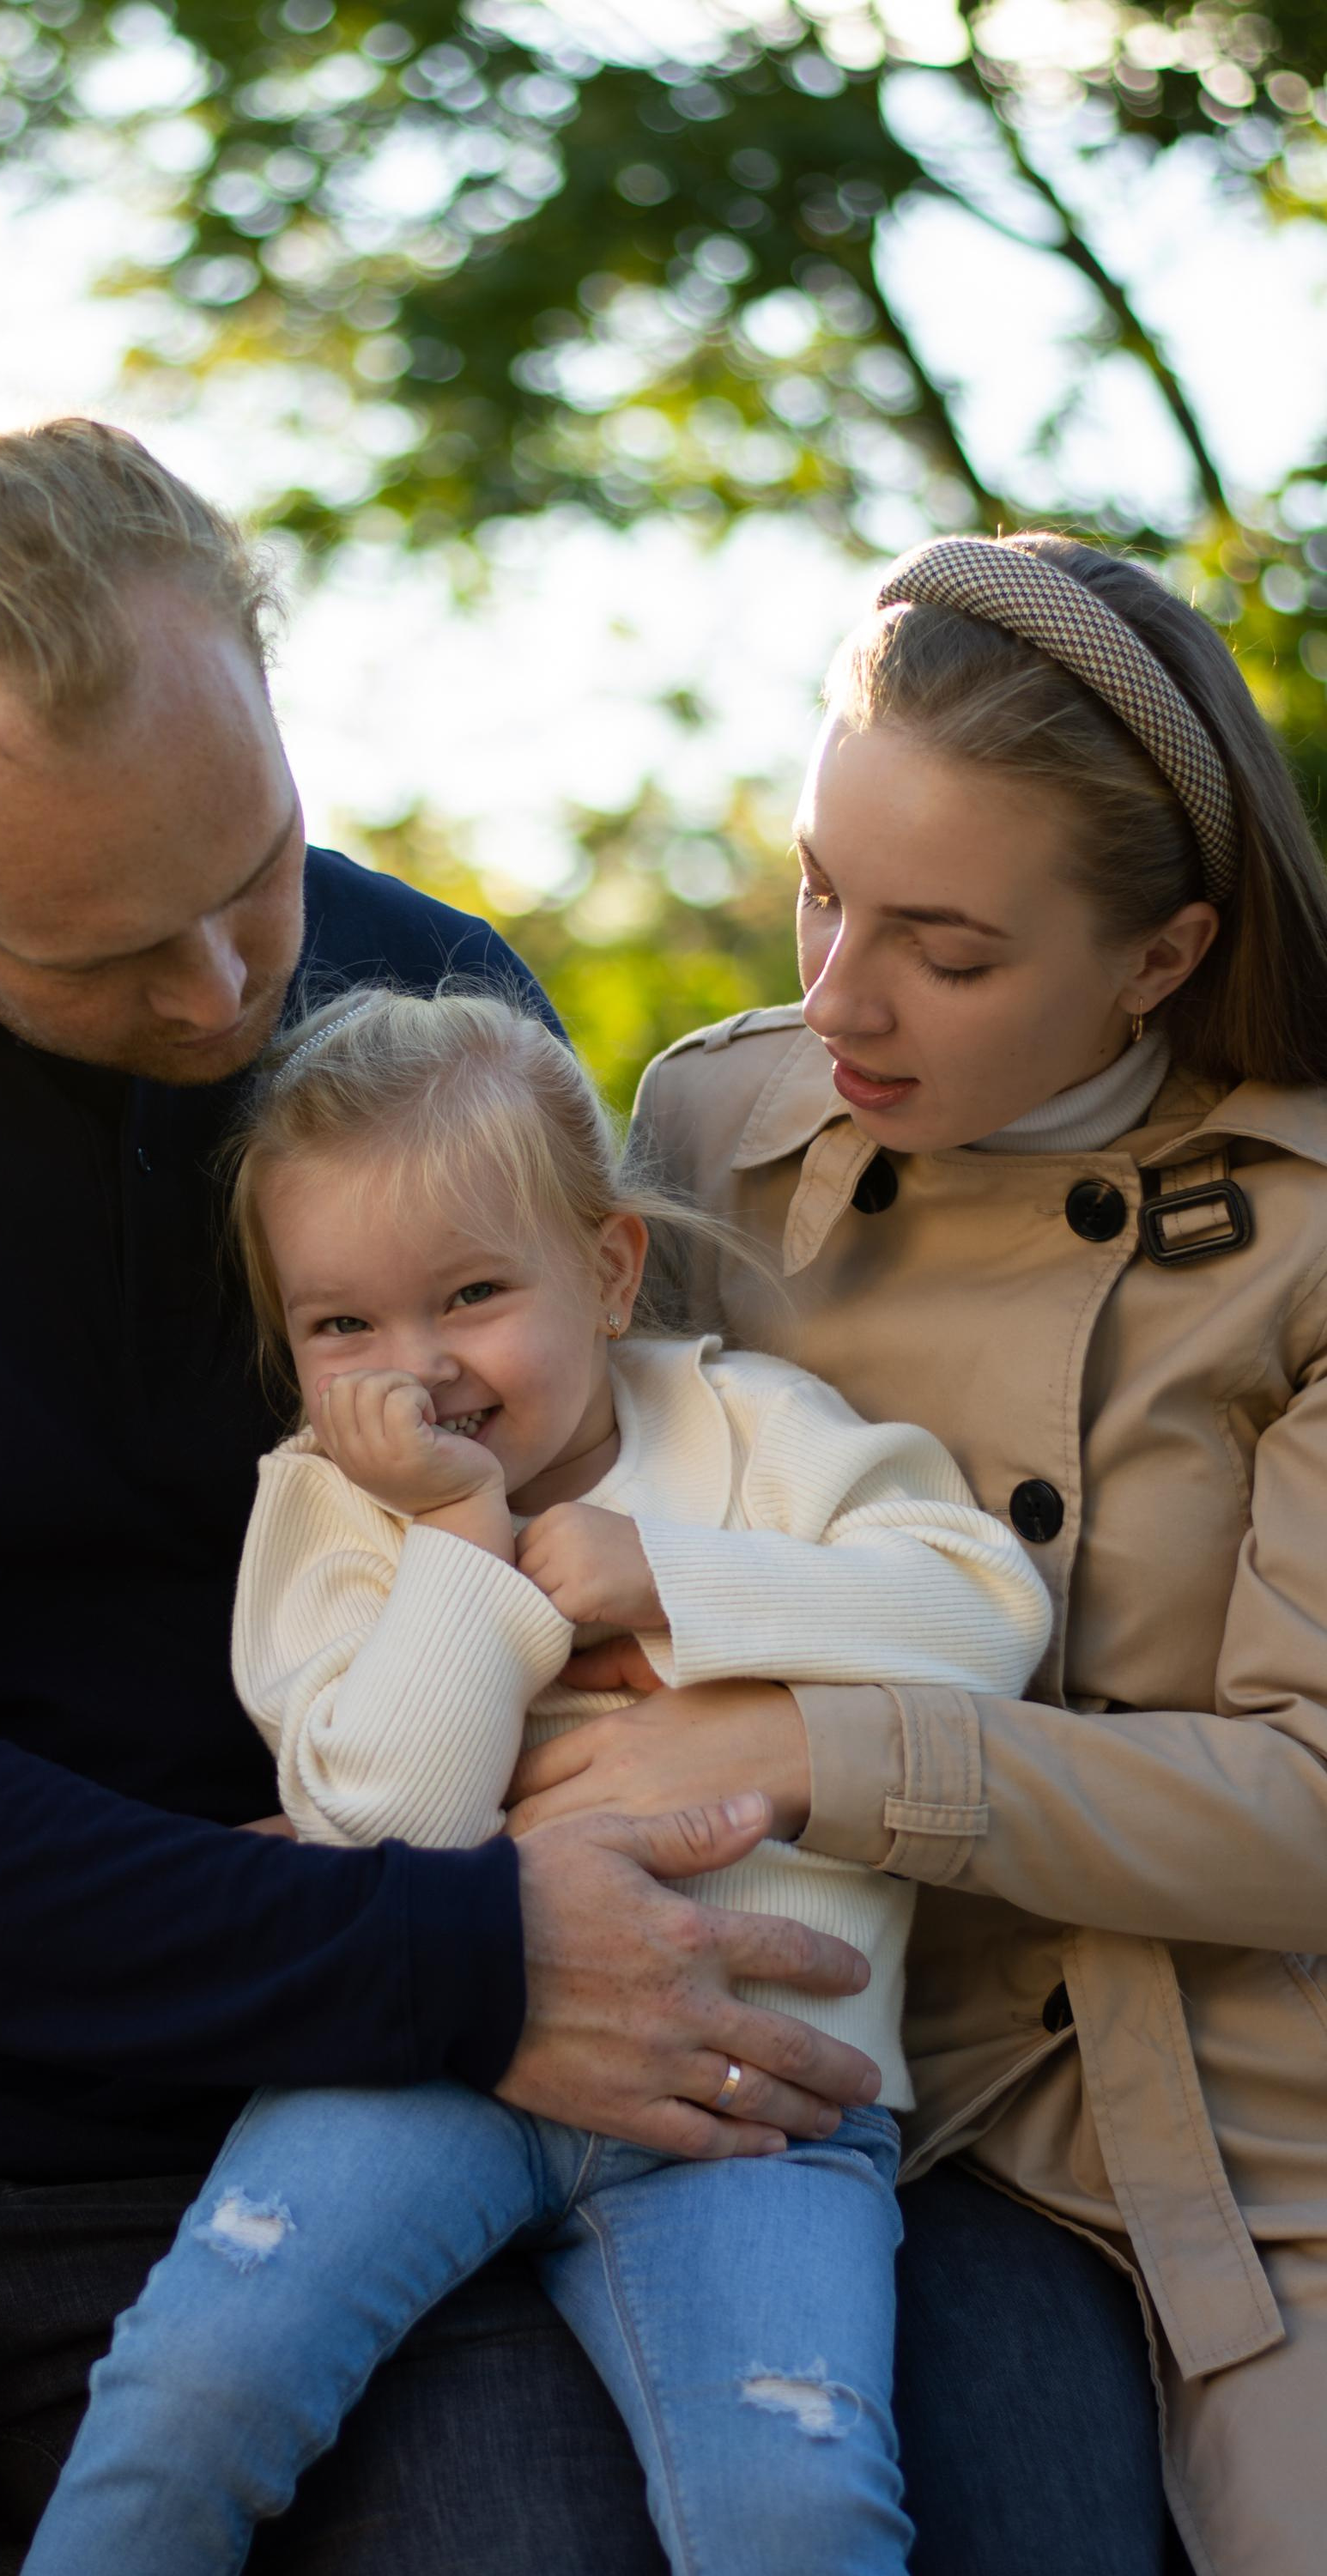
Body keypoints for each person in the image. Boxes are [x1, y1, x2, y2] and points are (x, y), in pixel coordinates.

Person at [0, 355, 882, 2576]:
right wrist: (455, 1960)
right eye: (97, 952)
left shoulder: (426, 998)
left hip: (294, 2102)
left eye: (253, 867)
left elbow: (611, 1536)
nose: (222, 994)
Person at [515, 532, 1327, 2576]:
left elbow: (1306, 1807)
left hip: (1263, 2125)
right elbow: (574, 1575)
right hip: (854, 2074)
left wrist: (814, 1745)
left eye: (945, 954)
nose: (832, 998)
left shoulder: (1307, 1221)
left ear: (1157, 957)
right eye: (817, 888)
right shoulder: (712, 1133)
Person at [21, 987, 1051, 2576]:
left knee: (796, 2498)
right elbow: (393, 1822)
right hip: (425, 2059)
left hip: (760, 2100)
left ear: (610, 1268)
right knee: (194, 2386)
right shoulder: (327, 1510)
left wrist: (673, 1580)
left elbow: (986, 1618)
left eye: (473, 1293)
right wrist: (462, 1542)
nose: (418, 1371)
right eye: (342, 1327)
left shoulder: (754, 1431)